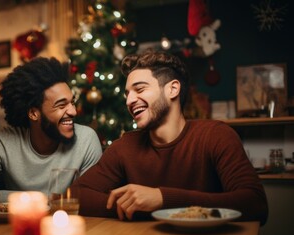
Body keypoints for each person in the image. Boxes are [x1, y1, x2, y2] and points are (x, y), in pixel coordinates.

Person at [73, 50, 268, 225]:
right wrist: (136, 207)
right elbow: (75, 197)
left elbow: (255, 203)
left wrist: (162, 199)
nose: (130, 100)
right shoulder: (124, 147)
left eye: (139, 89)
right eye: (127, 94)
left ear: (173, 89)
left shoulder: (216, 135)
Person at [0, 57, 102, 211]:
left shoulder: (86, 140)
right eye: (61, 105)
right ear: (33, 113)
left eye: (72, 102)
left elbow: (92, 201)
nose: (73, 111)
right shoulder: (4, 140)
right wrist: (27, 199)